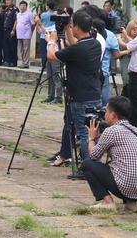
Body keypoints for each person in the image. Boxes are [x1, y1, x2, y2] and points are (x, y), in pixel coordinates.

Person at [46, 11, 103, 172]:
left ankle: (88, 169)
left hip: (79, 98)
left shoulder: (77, 50)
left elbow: (51, 56)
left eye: (72, 25)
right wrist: (67, 29)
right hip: (94, 95)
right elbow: (75, 45)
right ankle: (94, 166)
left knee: (83, 135)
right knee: (93, 133)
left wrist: (51, 41)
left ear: (76, 27)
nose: (70, 27)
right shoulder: (94, 43)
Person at [83, 96, 137, 211]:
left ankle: (107, 202)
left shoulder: (112, 131)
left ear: (113, 115)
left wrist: (91, 138)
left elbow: (94, 156)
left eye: (106, 111)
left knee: (87, 164)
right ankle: (131, 203)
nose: (104, 115)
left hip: (125, 187)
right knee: (122, 164)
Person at [35, 2, 62, 104]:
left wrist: (40, 23)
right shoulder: (53, 26)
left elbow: (47, 32)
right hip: (49, 53)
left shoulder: (60, 28)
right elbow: (44, 31)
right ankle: (51, 95)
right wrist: (39, 24)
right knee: (50, 75)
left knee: (56, 75)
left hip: (56, 54)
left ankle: (59, 97)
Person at [16, 1, 36, 68]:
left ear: (26, 6)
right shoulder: (18, 14)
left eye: (24, 5)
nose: (23, 7)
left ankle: (26, 63)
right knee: (21, 49)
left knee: (26, 49)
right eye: (21, 5)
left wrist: (31, 32)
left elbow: (33, 24)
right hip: (19, 34)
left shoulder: (29, 14)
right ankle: (22, 62)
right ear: (19, 6)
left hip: (26, 34)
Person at [3, 0, 18, 67]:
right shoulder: (6, 9)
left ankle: (13, 61)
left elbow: (16, 20)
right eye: (6, 1)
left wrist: (13, 30)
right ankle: (8, 61)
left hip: (11, 30)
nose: (7, 2)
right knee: (7, 46)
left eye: (9, 0)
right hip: (5, 30)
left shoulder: (15, 9)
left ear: (12, 1)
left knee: (12, 46)